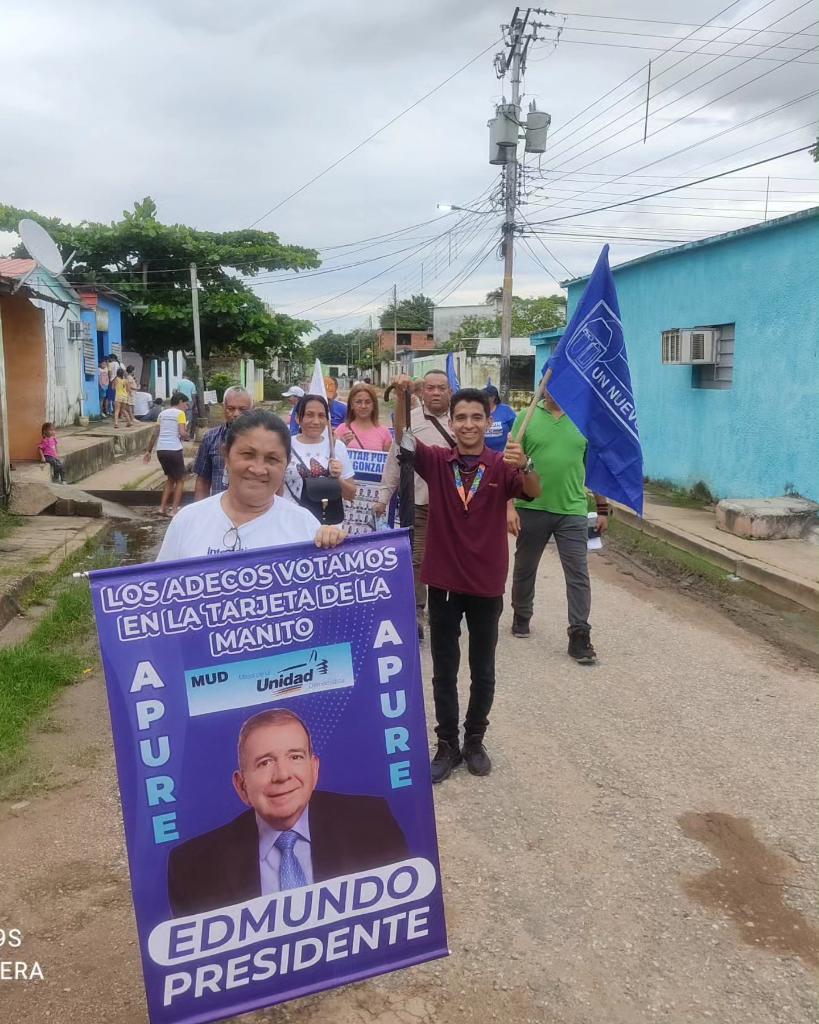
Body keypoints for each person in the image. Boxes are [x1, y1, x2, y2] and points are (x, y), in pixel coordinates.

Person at [391, 379, 541, 782]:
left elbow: (531, 491)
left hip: (486, 584)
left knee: (483, 667)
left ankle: (474, 740)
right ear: (451, 422)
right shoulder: (438, 462)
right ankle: (447, 744)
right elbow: (403, 436)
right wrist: (404, 397)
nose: (469, 424)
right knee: (444, 667)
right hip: (442, 583)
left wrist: (525, 464)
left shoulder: (502, 465)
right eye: (461, 417)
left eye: (477, 417)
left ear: (489, 421)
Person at [166, 709, 408, 916]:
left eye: (295, 756)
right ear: (242, 786)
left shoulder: (373, 824)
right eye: (264, 762)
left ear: (314, 770)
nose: (282, 775)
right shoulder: (192, 868)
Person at [157, 409, 346, 561]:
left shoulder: (305, 526)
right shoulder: (187, 521)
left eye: (272, 459)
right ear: (226, 456)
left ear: (286, 464)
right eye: (247, 455)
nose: (258, 469)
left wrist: (334, 550)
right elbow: (160, 595)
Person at [508, 388, 609, 665]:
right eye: (551, 384)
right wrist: (509, 506)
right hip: (532, 507)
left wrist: (602, 507)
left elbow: (594, 468)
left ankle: (579, 633)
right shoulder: (526, 417)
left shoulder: (583, 419)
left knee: (578, 572)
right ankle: (522, 613)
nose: (556, 390)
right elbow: (511, 466)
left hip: (572, 510)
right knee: (525, 567)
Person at [375, 369, 454, 640]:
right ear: (422, 392)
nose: (435, 392)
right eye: (430, 388)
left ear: (449, 391)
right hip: (420, 503)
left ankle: (444, 610)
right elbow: (396, 458)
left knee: (450, 560)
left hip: (454, 507)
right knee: (417, 560)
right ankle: (417, 611)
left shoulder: (462, 420)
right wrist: (384, 496)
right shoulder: (409, 421)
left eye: (441, 388)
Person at [282, 395, 356, 516]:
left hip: (327, 526)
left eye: (321, 416)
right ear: (297, 418)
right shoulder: (284, 446)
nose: (316, 421)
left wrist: (338, 479)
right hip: (291, 522)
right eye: (309, 414)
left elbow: (351, 495)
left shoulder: (337, 447)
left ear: (328, 420)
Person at [193, 385, 253, 499]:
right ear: (223, 408)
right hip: (219, 510)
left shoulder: (262, 439)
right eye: (231, 408)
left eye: (242, 409)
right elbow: (203, 481)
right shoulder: (210, 437)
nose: (236, 414)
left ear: (252, 408)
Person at [144, 392, 189, 517]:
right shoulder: (180, 414)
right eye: (186, 404)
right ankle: (174, 510)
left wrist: (148, 451)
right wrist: (187, 435)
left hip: (161, 450)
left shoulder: (162, 414)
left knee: (170, 479)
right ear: (180, 402)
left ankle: (162, 508)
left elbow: (155, 434)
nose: (187, 407)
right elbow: (182, 432)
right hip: (174, 450)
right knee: (180, 480)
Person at [335, 381, 392, 452]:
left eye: (368, 402)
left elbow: (388, 460)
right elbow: (332, 457)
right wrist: (340, 445)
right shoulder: (341, 429)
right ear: (351, 405)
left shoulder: (384, 432)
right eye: (358, 402)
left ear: (374, 405)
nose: (363, 406)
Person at [483, 384, 517, 452]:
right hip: (484, 454)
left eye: (485, 396)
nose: (483, 398)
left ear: (493, 398)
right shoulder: (479, 410)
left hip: (503, 454)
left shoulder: (506, 410)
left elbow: (516, 428)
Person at [176, 370, 198, 440]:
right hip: (189, 403)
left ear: (183, 376)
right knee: (188, 419)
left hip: (180, 402)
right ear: (189, 377)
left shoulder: (179, 383)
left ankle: (179, 434)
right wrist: (194, 405)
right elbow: (193, 395)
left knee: (179, 418)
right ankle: (186, 436)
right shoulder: (192, 384)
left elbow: (175, 392)